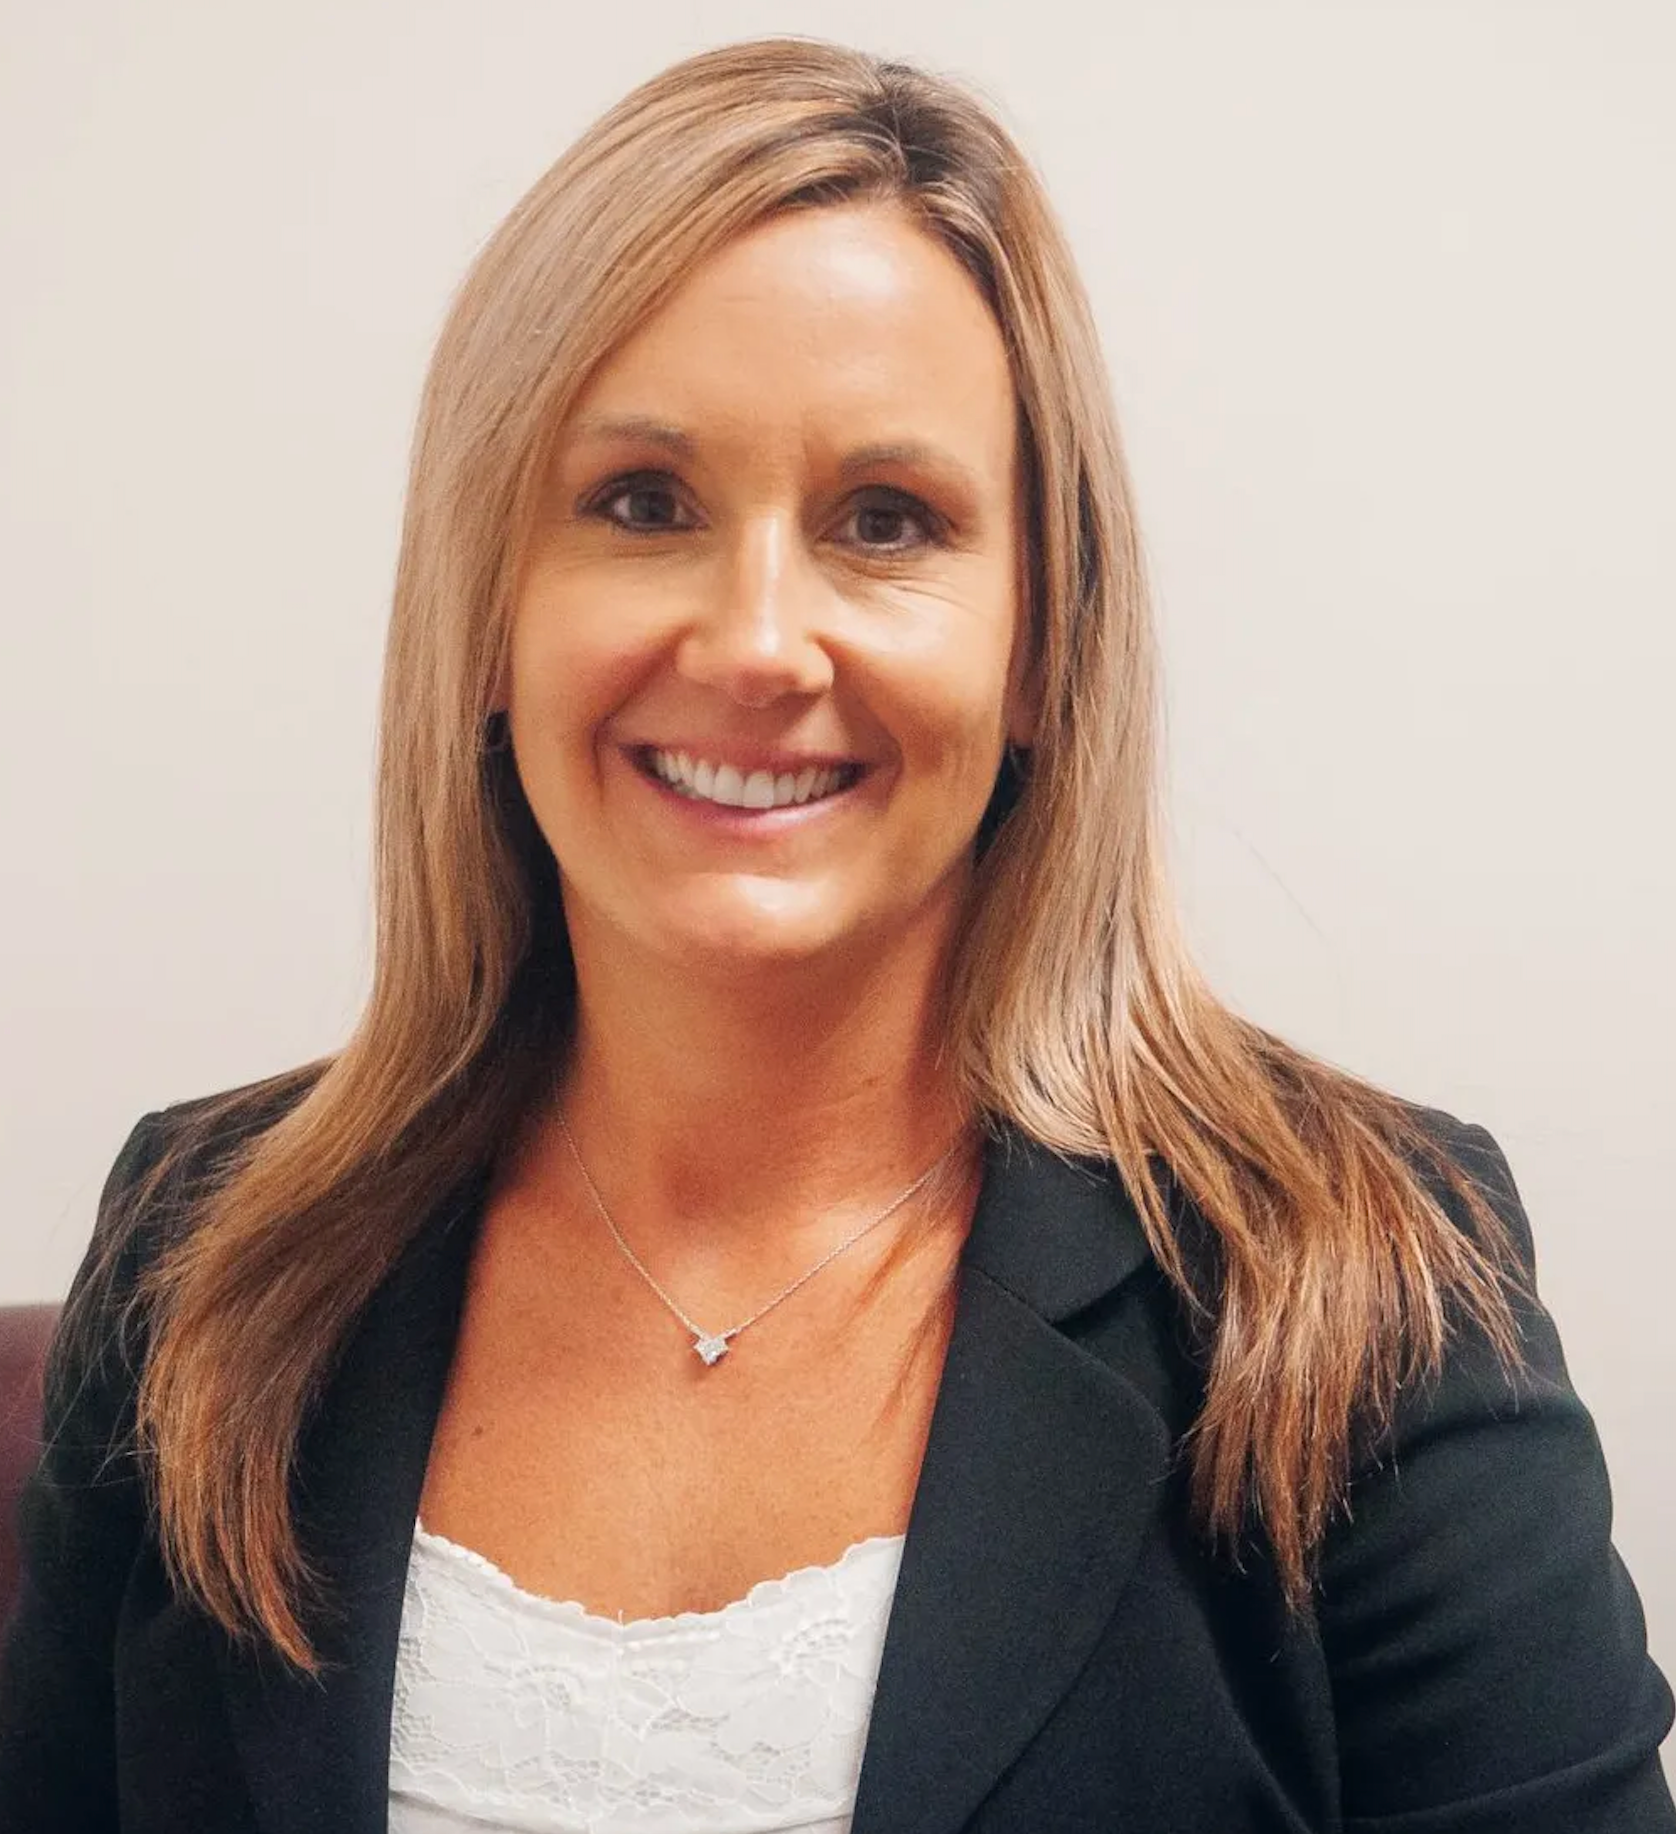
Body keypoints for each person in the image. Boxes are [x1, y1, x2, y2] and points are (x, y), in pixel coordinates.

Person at [1, 34, 1670, 1834]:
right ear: (488, 607)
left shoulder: (1366, 1295)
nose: (757, 640)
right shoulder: (206, 1264)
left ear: (1040, 647)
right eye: (643, 504)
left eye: (888, 521)